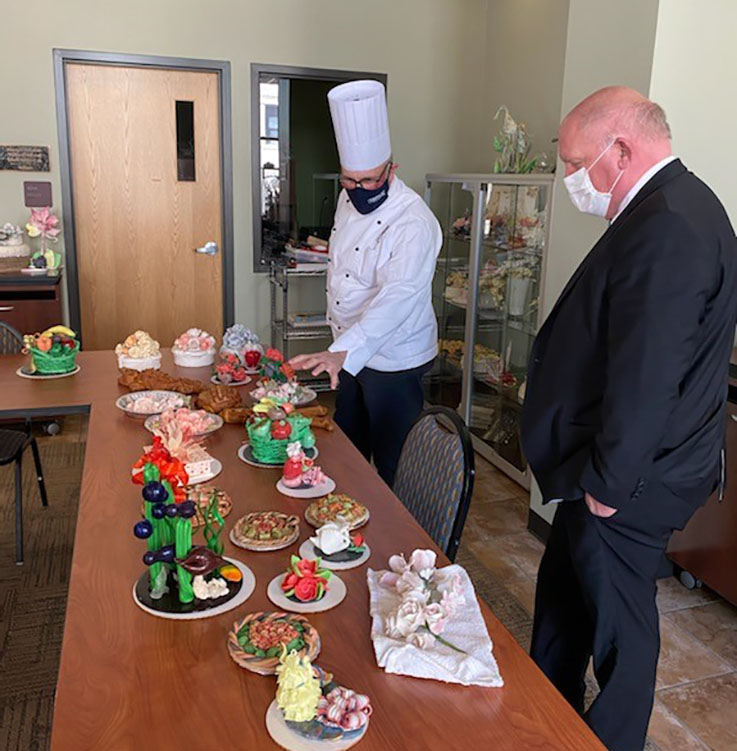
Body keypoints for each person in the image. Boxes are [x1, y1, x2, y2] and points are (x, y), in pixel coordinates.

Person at [521, 86, 737, 751]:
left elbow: (646, 376)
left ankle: (607, 739)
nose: (569, 180)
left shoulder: (670, 222)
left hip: (629, 480)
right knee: (563, 592)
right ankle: (542, 716)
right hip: (608, 468)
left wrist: (608, 486)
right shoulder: (661, 208)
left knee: (620, 625)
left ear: (620, 149)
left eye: (573, 163)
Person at [289, 80, 442, 487]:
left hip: (394, 357)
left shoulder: (414, 222)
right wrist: (342, 350)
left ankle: (401, 542)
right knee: (346, 446)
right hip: (351, 350)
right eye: (349, 181)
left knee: (395, 460)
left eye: (370, 181)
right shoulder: (347, 197)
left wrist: (343, 351)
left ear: (392, 169)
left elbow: (398, 297)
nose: (358, 191)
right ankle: (344, 523)